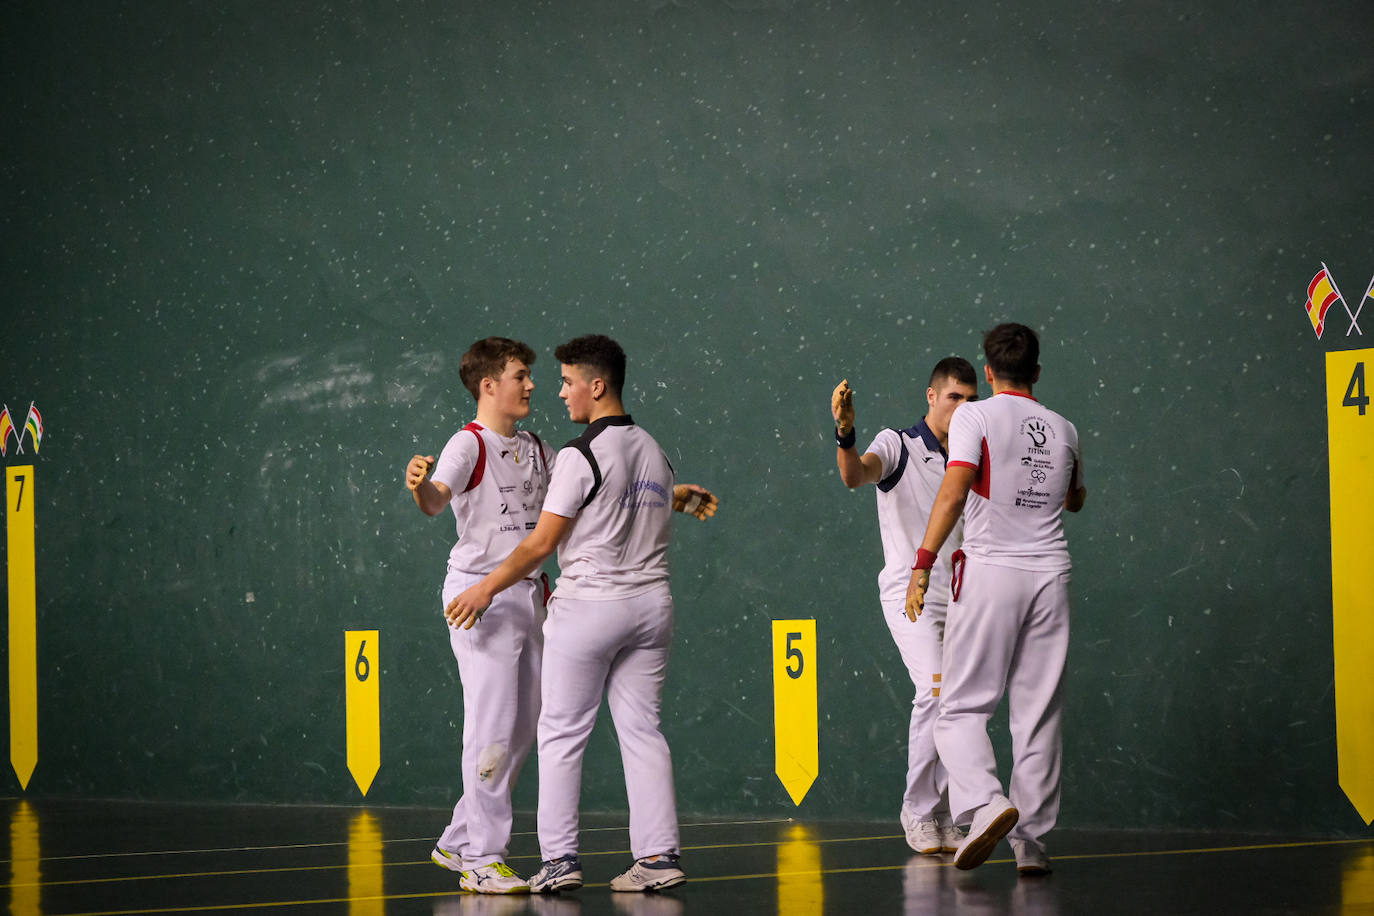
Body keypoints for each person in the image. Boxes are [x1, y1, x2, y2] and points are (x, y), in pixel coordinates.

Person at [444, 334, 718, 895]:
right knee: (644, 732)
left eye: (568, 382)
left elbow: (542, 542)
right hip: (652, 609)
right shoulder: (654, 448)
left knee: (562, 734)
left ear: (597, 386)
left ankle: (560, 860)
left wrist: (487, 588)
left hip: (590, 609)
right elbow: (637, 499)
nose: (559, 392)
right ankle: (659, 856)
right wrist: (679, 497)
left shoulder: (576, 453)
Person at [905, 323, 1087, 876]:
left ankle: (986, 804)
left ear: (987, 372)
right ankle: (1031, 845)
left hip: (990, 572)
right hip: (1051, 577)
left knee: (958, 709)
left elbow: (956, 486)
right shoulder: (1065, 428)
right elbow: (1075, 500)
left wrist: (923, 562)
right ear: (1036, 371)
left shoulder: (974, 416)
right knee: (1037, 714)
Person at [404, 336, 556, 894]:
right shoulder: (467, 445)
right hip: (477, 598)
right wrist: (419, 488)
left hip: (528, 596)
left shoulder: (539, 447)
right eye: (521, 375)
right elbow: (437, 499)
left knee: (525, 730)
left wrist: (662, 491)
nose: (532, 384)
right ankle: (483, 858)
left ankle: (457, 839)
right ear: (489, 385)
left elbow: (584, 498)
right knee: (490, 725)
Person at [831, 358, 978, 856]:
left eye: (971, 399)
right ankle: (917, 811)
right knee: (934, 691)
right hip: (906, 593)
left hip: (958, 597)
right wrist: (846, 434)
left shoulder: (970, 455)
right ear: (932, 397)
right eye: (955, 397)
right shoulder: (897, 444)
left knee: (957, 705)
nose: (964, 408)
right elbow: (856, 476)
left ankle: (946, 815)